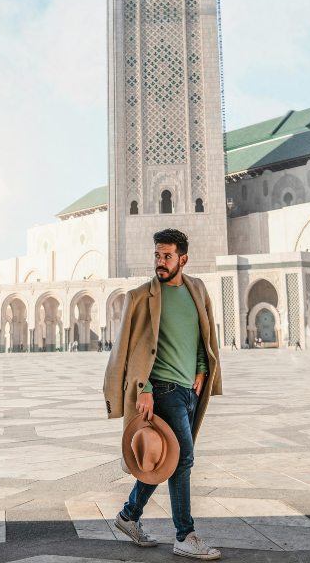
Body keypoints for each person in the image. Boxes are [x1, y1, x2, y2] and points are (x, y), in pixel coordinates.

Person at [104, 229, 222, 560]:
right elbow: (129, 350)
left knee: (167, 458)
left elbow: (204, 334)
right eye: (157, 255)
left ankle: (129, 516)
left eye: (167, 256)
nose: (161, 262)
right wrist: (146, 390)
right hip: (163, 389)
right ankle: (185, 535)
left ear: (183, 259)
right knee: (183, 458)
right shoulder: (141, 296)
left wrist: (201, 367)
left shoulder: (197, 289)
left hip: (190, 389)